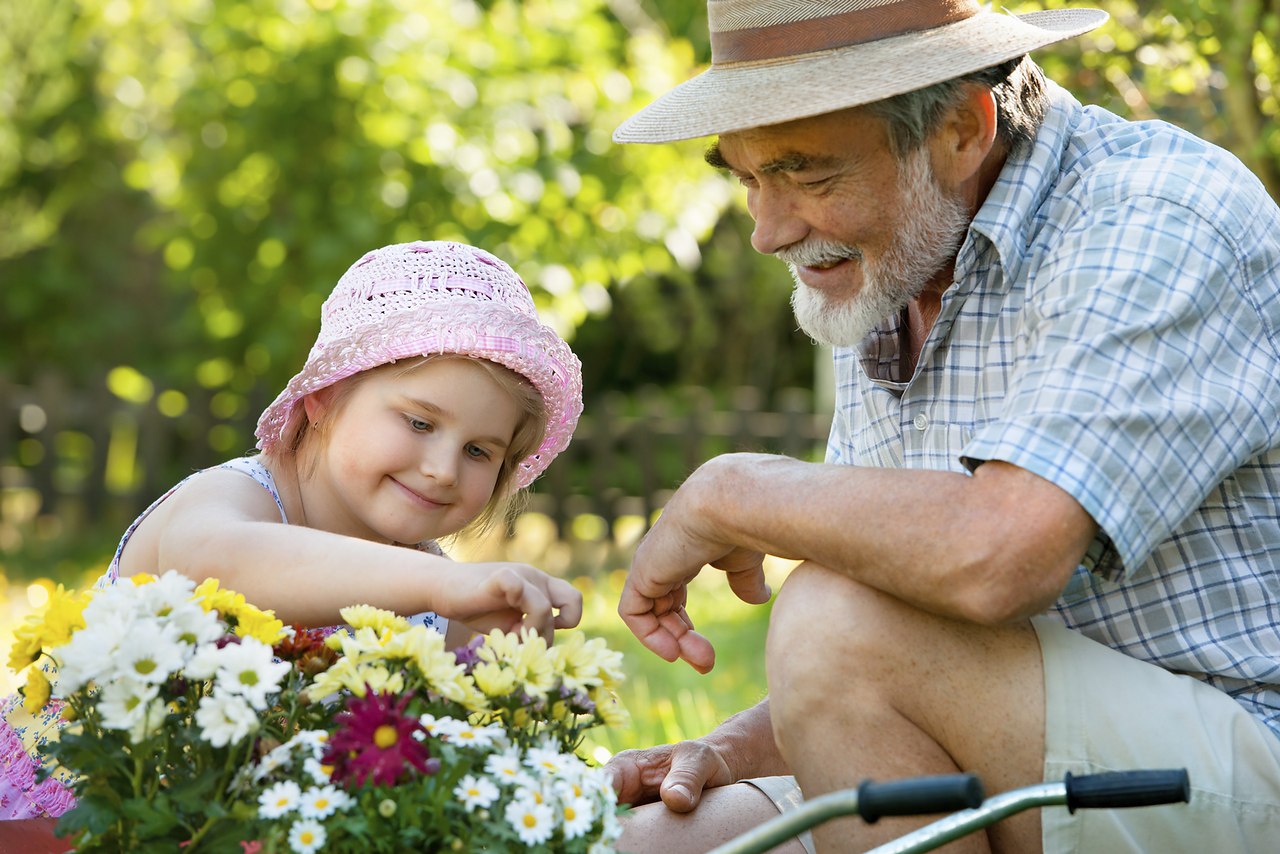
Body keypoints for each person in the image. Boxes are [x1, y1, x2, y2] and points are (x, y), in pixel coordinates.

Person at [606, 2, 1280, 852]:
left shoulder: (1159, 216)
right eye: (746, 179)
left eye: (808, 178)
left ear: (962, 128)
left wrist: (729, 491)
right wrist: (727, 749)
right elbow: (904, 660)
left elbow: (1000, 560)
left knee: (828, 616)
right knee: (652, 845)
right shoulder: (892, 265)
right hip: (1046, 757)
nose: (768, 231)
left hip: (1243, 767)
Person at [0, 239, 586, 821]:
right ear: (326, 399)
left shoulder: (440, 602)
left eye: (480, 451)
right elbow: (214, 561)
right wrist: (437, 584)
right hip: (53, 817)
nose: (442, 469)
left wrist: (514, 677)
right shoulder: (240, 496)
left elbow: (467, 759)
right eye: (418, 421)